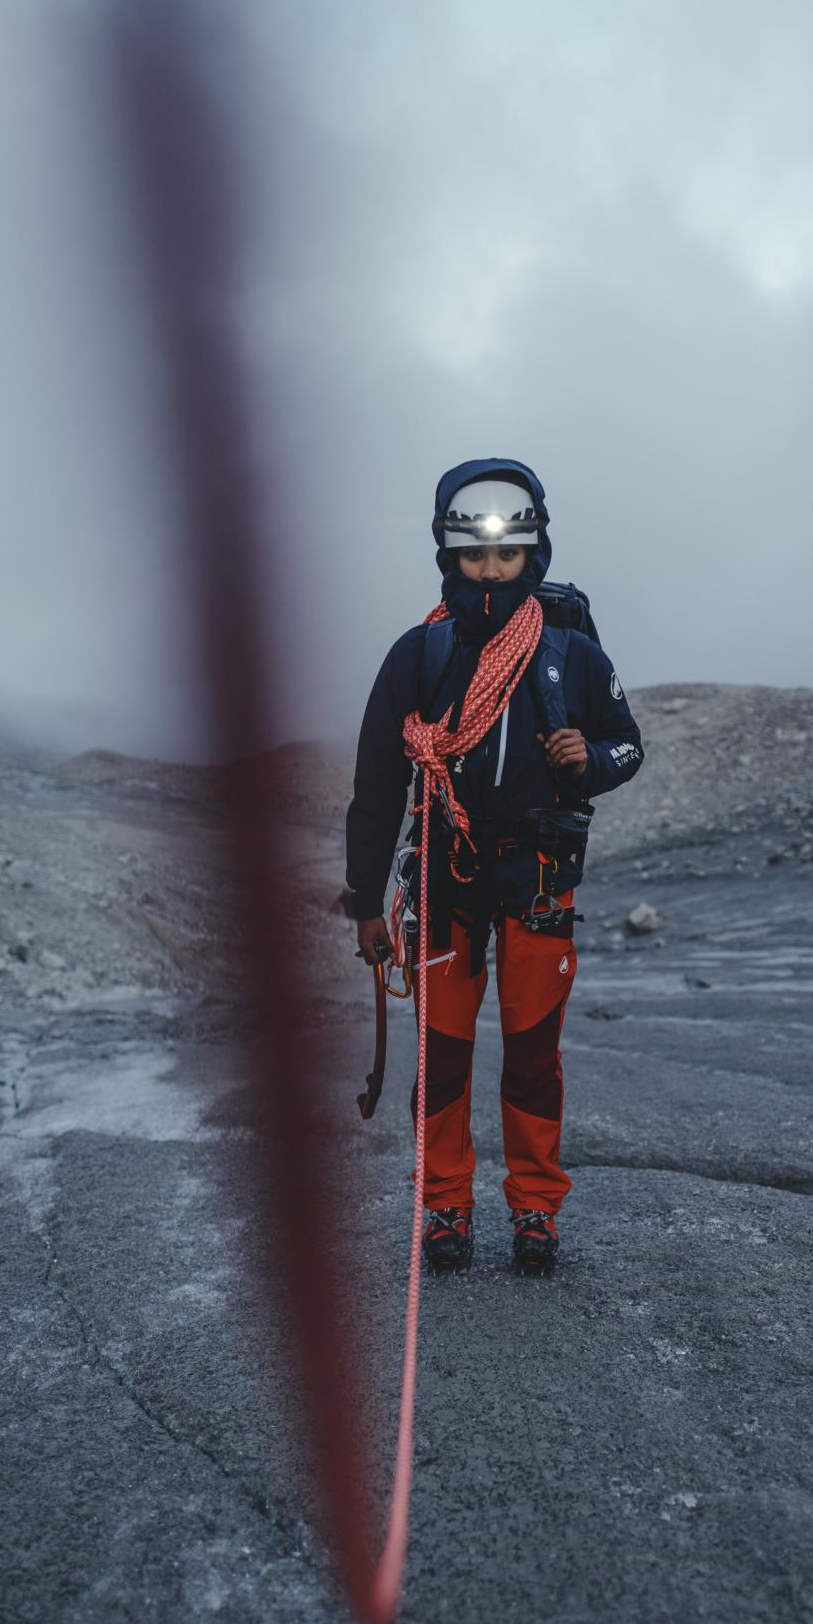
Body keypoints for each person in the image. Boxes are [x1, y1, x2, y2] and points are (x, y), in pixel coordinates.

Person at [345, 458, 644, 1275]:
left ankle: (535, 1209)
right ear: (448, 556)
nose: (489, 571)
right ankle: (445, 1207)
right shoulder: (419, 655)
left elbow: (629, 744)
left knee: (532, 1055)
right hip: (444, 886)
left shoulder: (574, 655)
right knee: (439, 1058)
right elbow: (378, 784)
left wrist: (589, 760)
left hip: (540, 885)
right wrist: (366, 903)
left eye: (506, 557)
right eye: (474, 557)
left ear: (532, 555)